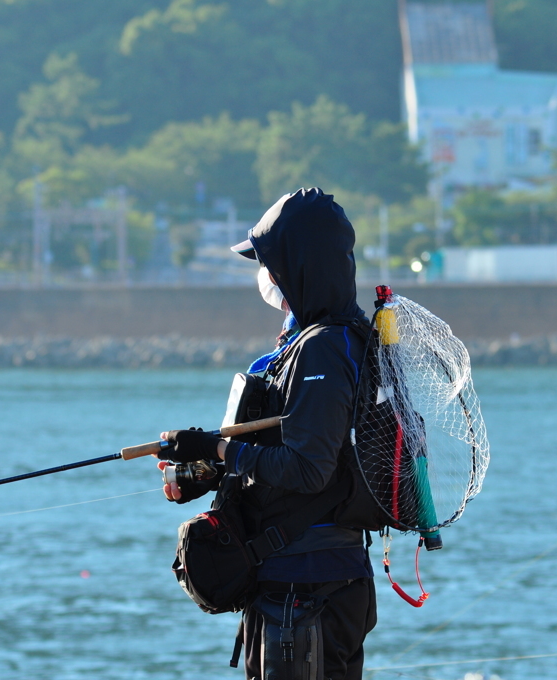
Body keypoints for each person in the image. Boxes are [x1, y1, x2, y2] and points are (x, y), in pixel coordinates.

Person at [156, 188, 376, 680]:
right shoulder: (327, 339)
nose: (266, 276)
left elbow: (310, 468)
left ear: (298, 266)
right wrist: (209, 473)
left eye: (270, 263)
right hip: (296, 588)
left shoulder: (324, 349)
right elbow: (306, 450)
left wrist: (218, 448)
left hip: (308, 592)